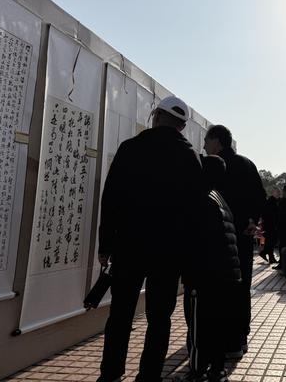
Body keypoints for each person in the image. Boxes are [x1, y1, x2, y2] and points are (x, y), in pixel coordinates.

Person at [97, 96, 203, 382]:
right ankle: (149, 375)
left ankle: (110, 374)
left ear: (155, 116)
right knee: (159, 318)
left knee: (120, 314)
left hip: (128, 246)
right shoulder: (190, 157)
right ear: (182, 126)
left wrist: (106, 245)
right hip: (169, 252)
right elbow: (195, 212)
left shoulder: (130, 148)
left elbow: (111, 199)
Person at [204, 125, 266, 358]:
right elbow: (260, 197)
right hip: (242, 236)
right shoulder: (247, 164)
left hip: (215, 238)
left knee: (218, 289)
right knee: (241, 287)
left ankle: (220, 341)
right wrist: (252, 220)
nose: (204, 146)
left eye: (206, 141)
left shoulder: (211, 166)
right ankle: (240, 338)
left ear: (217, 141)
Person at [182, 155, 241, 382]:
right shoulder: (219, 198)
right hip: (225, 275)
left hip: (204, 276)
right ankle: (217, 369)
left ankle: (197, 372)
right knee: (217, 325)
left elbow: (198, 242)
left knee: (199, 326)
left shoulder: (202, 199)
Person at [259, 188, 280, 264]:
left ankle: (271, 258)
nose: (279, 194)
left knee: (269, 241)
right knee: (272, 241)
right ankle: (264, 253)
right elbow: (273, 215)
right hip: (271, 226)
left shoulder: (270, 201)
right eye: (278, 193)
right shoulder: (272, 202)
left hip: (268, 225)